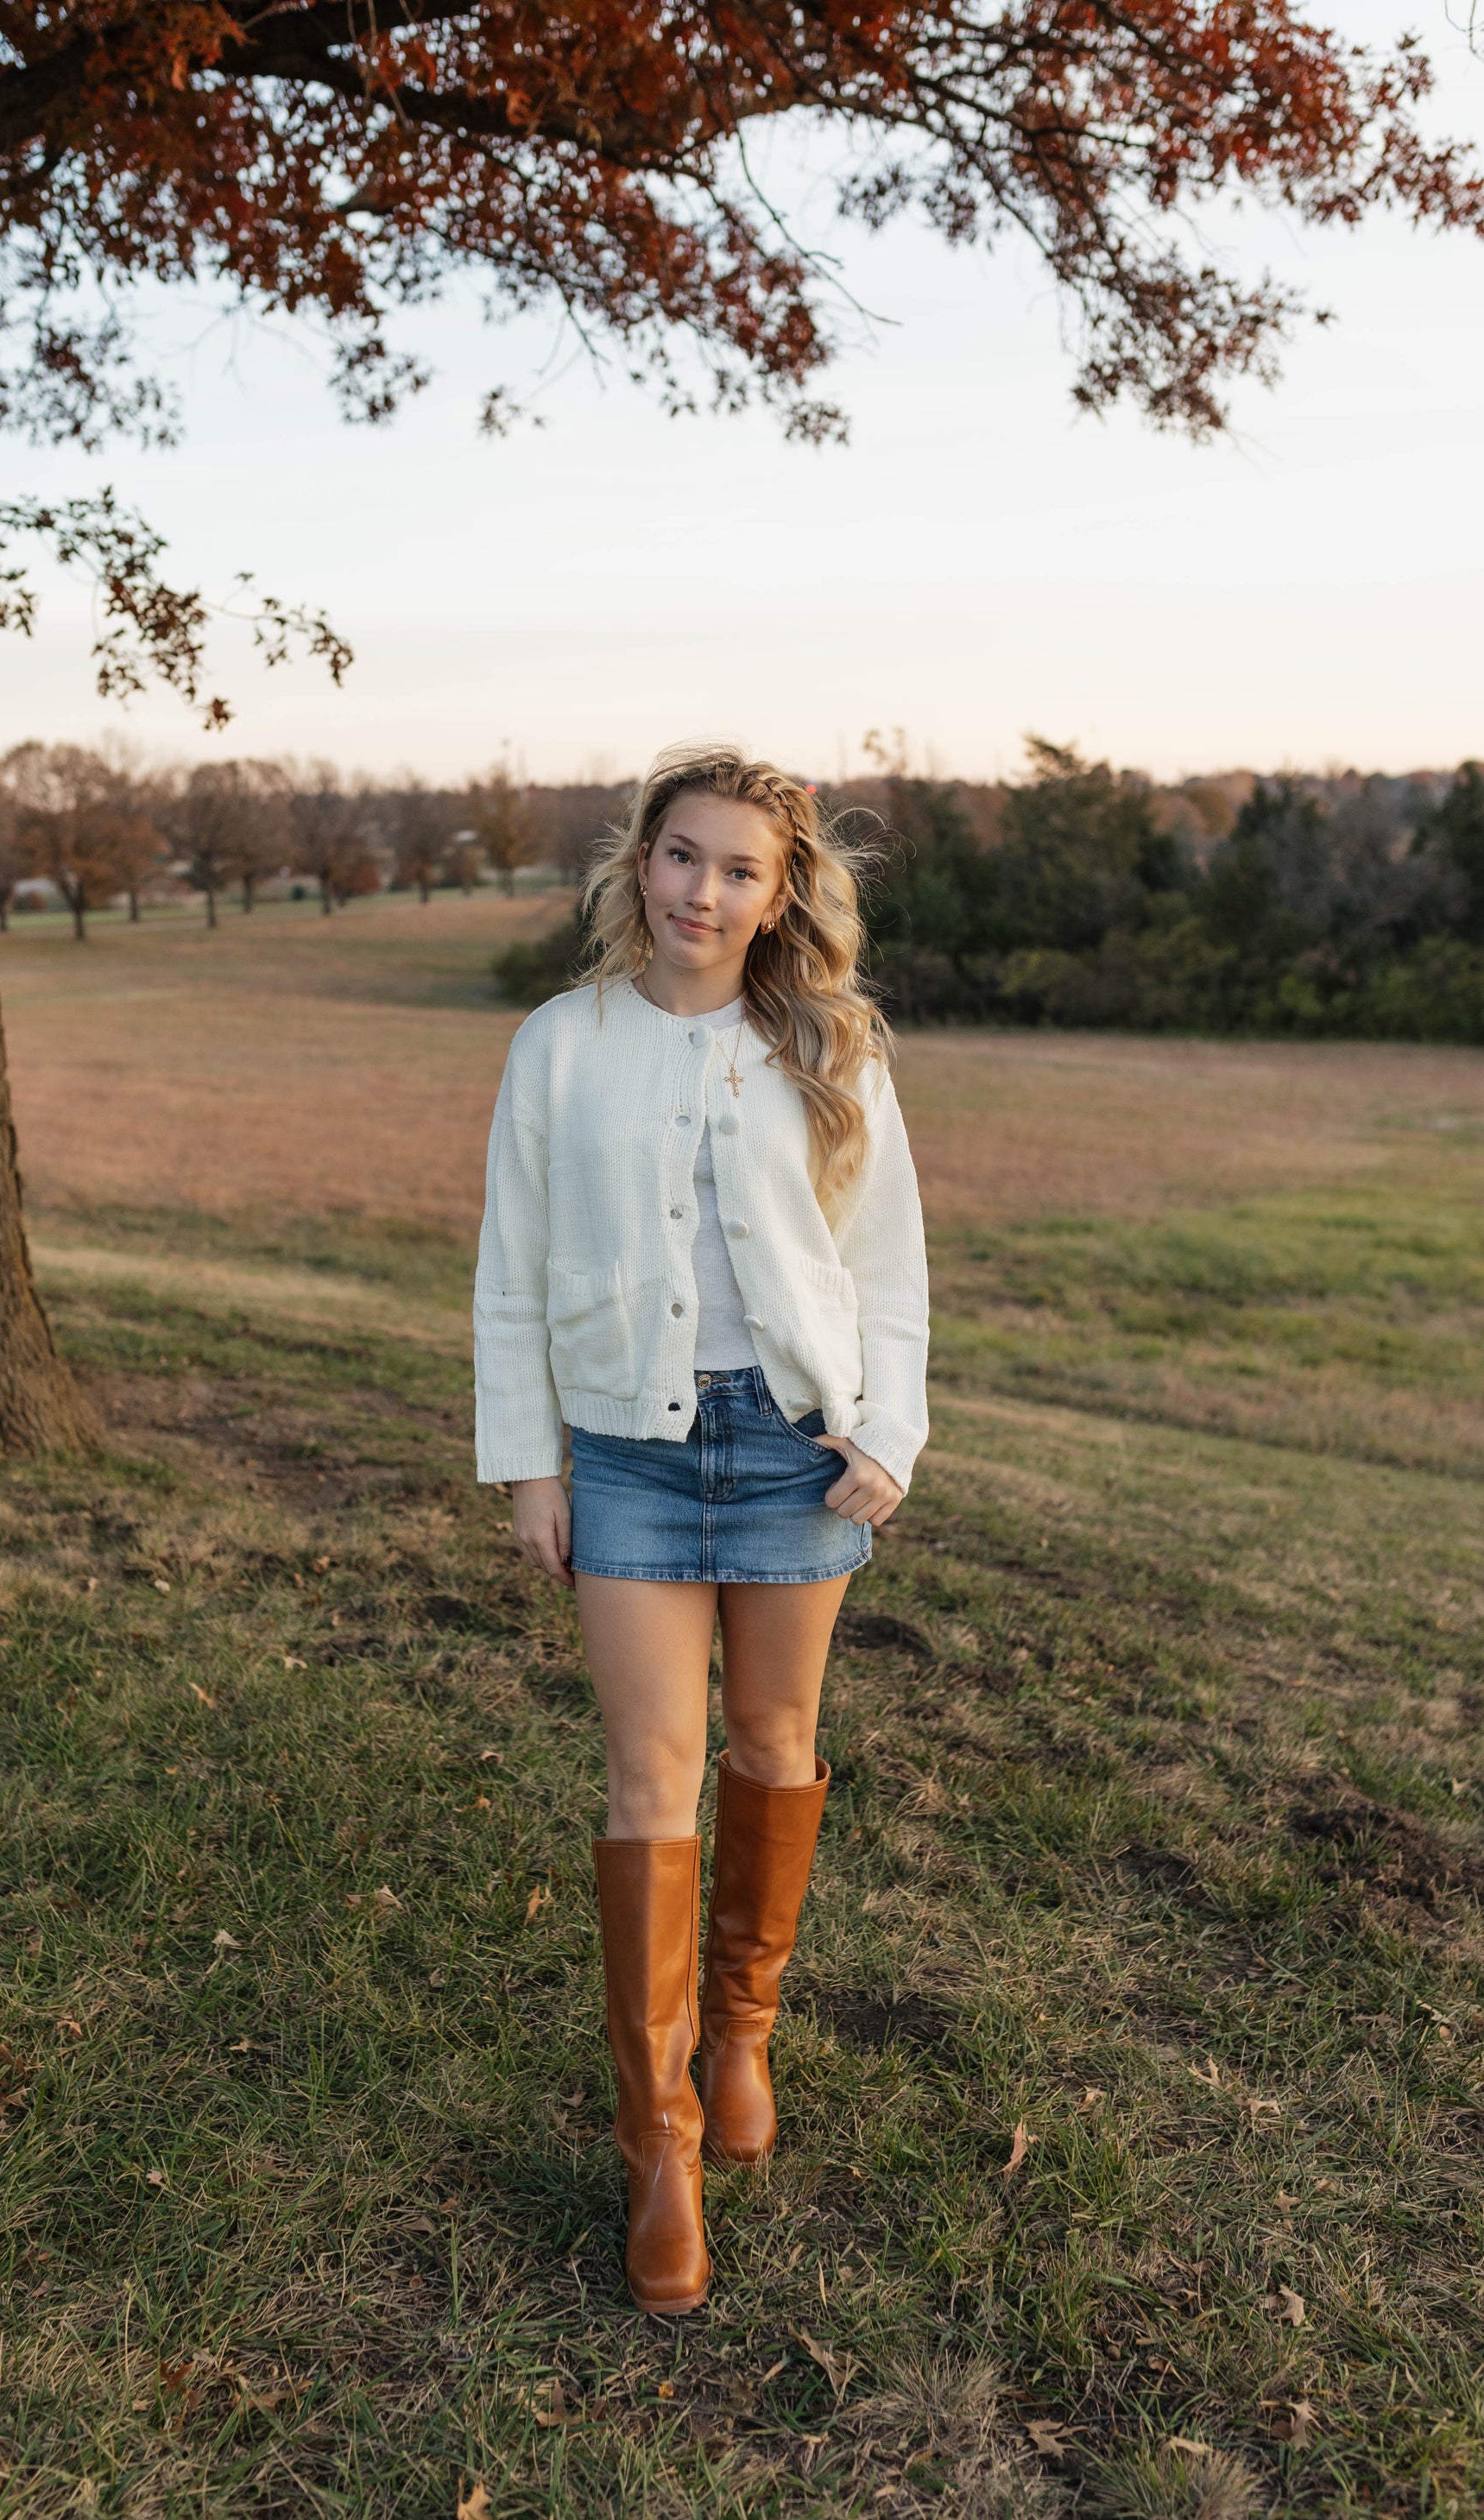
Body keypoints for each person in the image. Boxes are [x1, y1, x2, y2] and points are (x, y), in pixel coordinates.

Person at [473, 743, 929, 2314]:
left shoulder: (829, 1047)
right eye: (682, 856)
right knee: (646, 1775)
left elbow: (886, 1265)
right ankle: (656, 2134)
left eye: (740, 870)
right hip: (627, 1454)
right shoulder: (561, 1044)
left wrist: (888, 1432)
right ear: (638, 861)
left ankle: (741, 2029)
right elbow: (511, 1267)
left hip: (794, 1450)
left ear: (781, 893)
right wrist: (529, 1466)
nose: (703, 892)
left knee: (776, 1746)